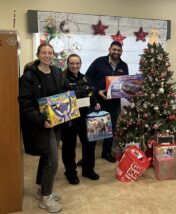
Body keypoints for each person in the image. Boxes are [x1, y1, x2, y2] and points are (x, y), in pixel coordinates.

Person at [19, 44, 64, 213]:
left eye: (50, 53)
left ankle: (41, 189)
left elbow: (65, 90)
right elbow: (25, 105)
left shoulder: (57, 72)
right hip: (41, 125)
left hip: (57, 121)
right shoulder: (29, 77)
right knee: (52, 160)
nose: (47, 55)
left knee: (47, 158)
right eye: (44, 53)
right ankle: (46, 197)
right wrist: (41, 120)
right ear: (38, 54)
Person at [61, 54, 101, 184]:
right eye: (72, 63)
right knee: (69, 147)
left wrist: (95, 102)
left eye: (77, 63)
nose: (74, 66)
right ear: (68, 64)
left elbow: (90, 93)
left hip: (85, 116)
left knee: (89, 144)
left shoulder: (85, 78)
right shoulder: (61, 79)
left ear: (80, 64)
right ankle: (71, 172)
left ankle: (88, 170)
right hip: (69, 119)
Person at [86, 41, 128, 163]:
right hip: (98, 102)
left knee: (111, 129)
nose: (116, 52)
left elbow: (124, 83)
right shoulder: (99, 62)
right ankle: (88, 156)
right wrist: (97, 90)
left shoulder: (123, 66)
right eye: (114, 49)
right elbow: (88, 78)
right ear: (109, 49)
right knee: (96, 129)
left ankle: (106, 152)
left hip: (114, 103)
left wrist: (130, 91)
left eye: (119, 50)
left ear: (121, 52)